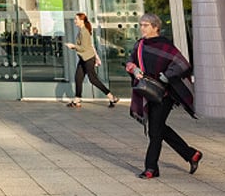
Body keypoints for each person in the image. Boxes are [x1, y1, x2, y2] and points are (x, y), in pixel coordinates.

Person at [125, 13, 201, 179]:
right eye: (141, 25)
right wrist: (134, 69)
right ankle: (191, 154)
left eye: (145, 25)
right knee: (159, 128)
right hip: (147, 91)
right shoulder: (140, 45)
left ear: (155, 27)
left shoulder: (166, 46)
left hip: (165, 94)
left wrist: (167, 75)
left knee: (155, 132)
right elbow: (130, 61)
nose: (142, 28)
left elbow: (183, 64)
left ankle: (151, 168)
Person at [65, 12, 119, 108]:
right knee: (78, 77)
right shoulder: (82, 30)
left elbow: (84, 48)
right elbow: (88, 46)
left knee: (93, 79)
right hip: (84, 58)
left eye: (76, 19)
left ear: (81, 20)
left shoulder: (84, 32)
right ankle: (77, 99)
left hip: (88, 59)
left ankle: (111, 97)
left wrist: (73, 46)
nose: (74, 21)